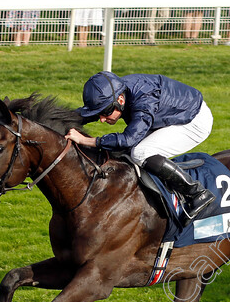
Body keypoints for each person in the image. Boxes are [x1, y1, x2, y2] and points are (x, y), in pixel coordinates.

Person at [65, 71, 216, 224]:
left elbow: (129, 139)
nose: (102, 120)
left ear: (121, 100)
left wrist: (88, 141)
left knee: (140, 152)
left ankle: (196, 193)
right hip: (169, 114)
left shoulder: (144, 99)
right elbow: (87, 114)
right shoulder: (114, 94)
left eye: (105, 113)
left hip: (193, 120)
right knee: (121, 151)